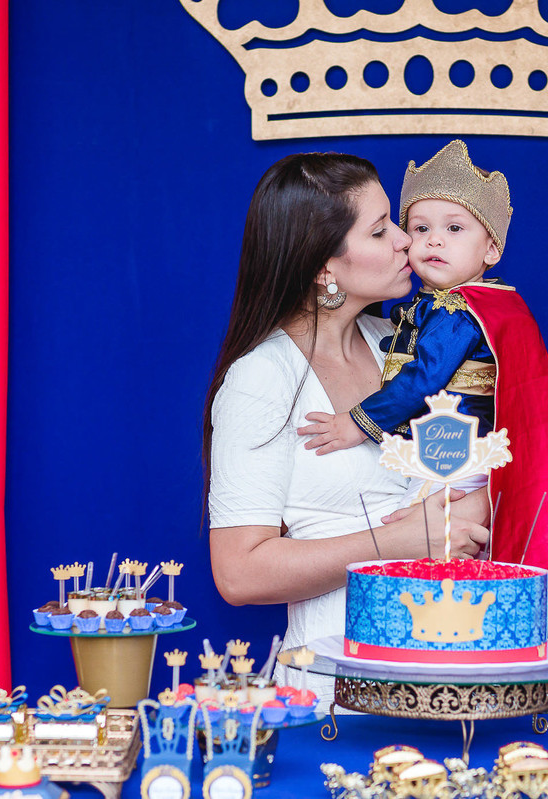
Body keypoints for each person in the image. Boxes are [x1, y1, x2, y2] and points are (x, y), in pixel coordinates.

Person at [204, 152, 491, 707]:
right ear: (322, 266)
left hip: (451, 675)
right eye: (382, 230)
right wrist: (400, 543)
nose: (408, 240)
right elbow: (238, 574)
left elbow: (482, 461)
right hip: (333, 694)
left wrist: (468, 513)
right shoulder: (264, 376)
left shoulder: (403, 345)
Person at [298, 140, 548, 590]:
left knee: (418, 538)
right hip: (448, 451)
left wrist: (357, 423)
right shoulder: (447, 307)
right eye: (419, 228)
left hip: (450, 453)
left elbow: (425, 378)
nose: (433, 239)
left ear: (491, 250)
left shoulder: (458, 310)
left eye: (454, 228)